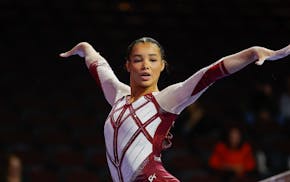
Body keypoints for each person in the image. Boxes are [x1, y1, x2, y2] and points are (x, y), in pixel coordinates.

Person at [60, 37, 290, 182]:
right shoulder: (117, 95)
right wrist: (84, 47)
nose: (145, 65)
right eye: (138, 59)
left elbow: (207, 75)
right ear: (128, 65)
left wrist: (251, 54)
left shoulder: (165, 100)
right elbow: (96, 63)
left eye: (152, 59)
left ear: (162, 65)